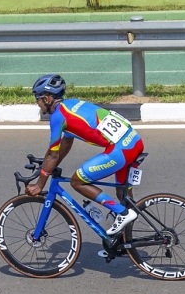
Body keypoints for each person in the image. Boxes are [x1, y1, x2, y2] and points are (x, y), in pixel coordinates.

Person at [24, 74, 142, 240]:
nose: (37, 103)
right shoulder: (72, 103)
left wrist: (39, 184)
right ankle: (125, 244)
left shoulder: (58, 117)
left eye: (38, 98)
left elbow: (52, 153)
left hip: (121, 150)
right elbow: (66, 142)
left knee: (77, 181)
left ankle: (122, 213)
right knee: (124, 196)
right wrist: (50, 164)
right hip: (134, 141)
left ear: (48, 98)